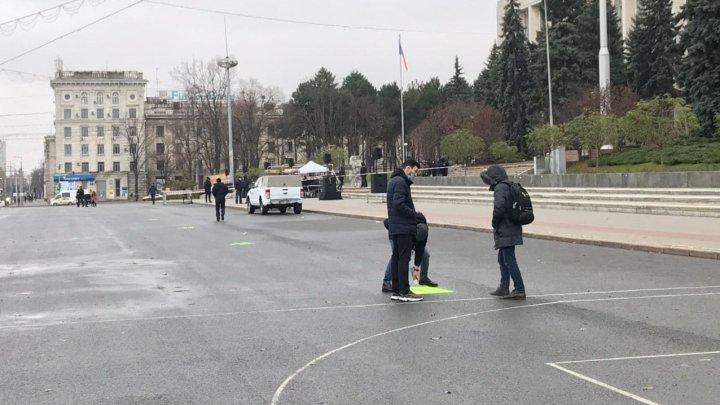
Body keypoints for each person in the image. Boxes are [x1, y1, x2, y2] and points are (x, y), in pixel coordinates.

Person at [481, 165, 526, 300]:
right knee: (503, 258)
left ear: (495, 177)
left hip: (506, 228)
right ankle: (504, 287)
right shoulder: (507, 185)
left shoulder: (500, 188)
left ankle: (519, 289)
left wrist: (494, 223)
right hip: (511, 227)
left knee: (509, 259)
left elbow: (499, 208)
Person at [386, 159, 423, 302]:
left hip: (396, 226)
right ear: (408, 168)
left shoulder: (394, 181)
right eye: (415, 171)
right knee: (403, 259)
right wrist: (415, 215)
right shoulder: (401, 182)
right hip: (403, 227)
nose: (415, 174)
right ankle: (404, 291)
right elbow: (399, 204)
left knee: (397, 258)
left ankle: (396, 290)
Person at [381, 214, 437, 293]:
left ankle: (423, 278)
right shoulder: (407, 221)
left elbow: (420, 249)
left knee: (425, 254)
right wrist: (396, 230)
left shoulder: (424, 231)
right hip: (397, 234)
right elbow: (386, 222)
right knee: (398, 256)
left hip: (408, 234)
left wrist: (416, 267)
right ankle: (386, 282)